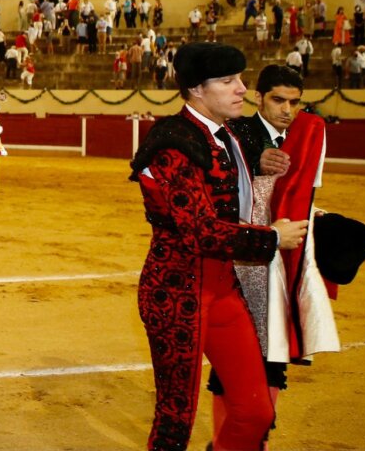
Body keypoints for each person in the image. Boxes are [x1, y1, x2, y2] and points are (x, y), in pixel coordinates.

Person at [129, 43, 308, 451]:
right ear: (196, 89)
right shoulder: (172, 143)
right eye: (228, 81)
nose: (242, 89)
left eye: (240, 79)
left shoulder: (227, 135)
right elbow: (200, 231)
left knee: (256, 412)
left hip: (223, 290)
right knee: (176, 419)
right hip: (175, 291)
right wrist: (274, 238)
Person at [217, 66, 340, 445]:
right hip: (243, 261)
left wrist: (321, 221)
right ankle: (231, 442)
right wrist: (254, 164)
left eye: (294, 101)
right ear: (258, 97)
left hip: (283, 260)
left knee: (275, 355)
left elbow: (299, 198)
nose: (287, 109)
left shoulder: (305, 136)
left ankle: (249, 442)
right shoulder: (236, 131)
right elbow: (219, 184)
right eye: (278, 100)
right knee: (237, 360)